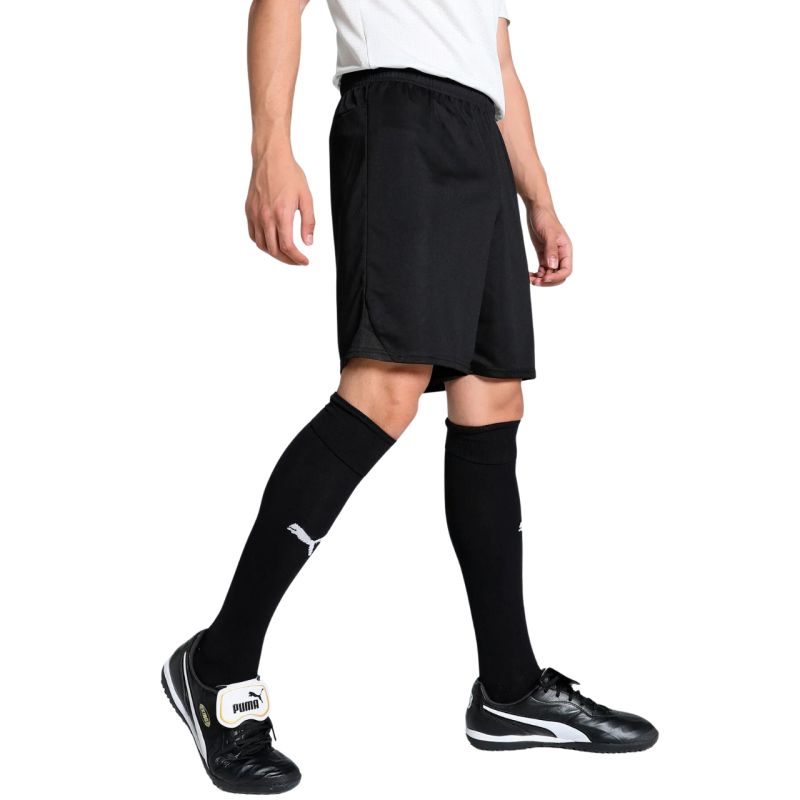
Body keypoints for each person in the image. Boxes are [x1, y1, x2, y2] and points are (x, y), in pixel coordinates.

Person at [161, 0, 658, 793]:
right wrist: (270, 149)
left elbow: (498, 61)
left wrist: (538, 198)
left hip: (478, 137)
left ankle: (509, 689)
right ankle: (217, 665)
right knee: (383, 391)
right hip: (398, 121)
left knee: (492, 398)